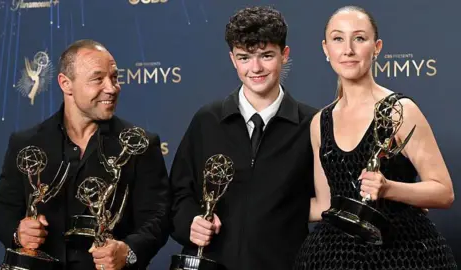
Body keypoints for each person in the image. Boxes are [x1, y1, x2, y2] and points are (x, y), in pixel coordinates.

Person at [293, 6, 457, 270]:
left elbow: (444, 192)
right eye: (338, 39)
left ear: (377, 47)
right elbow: (325, 204)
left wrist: (390, 188)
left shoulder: (399, 111)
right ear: (326, 49)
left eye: (359, 38)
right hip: (334, 258)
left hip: (403, 255)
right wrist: (257, 208)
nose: (348, 49)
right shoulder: (319, 123)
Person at [0, 39, 171, 270]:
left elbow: (158, 217)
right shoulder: (26, 144)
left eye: (114, 77)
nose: (112, 88)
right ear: (66, 84)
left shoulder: (140, 145)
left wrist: (128, 250)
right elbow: (2, 208)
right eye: (98, 79)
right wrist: (18, 232)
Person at [170, 6, 317, 270]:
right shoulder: (207, 120)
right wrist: (190, 223)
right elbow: (179, 194)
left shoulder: (312, 124)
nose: (256, 68)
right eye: (245, 57)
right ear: (232, 60)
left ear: (284, 55)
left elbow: (328, 204)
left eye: (266, 55)